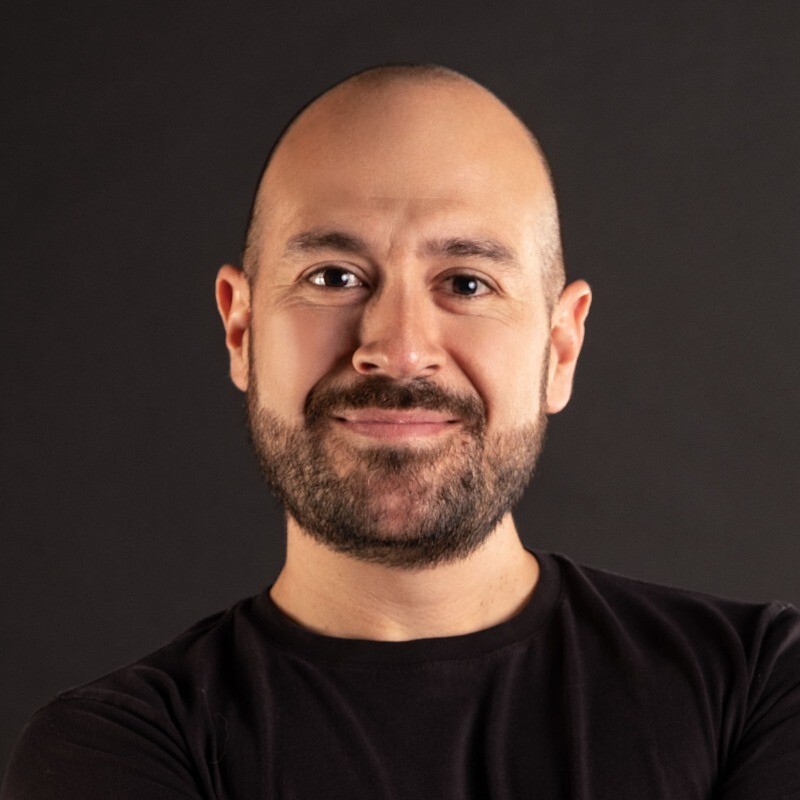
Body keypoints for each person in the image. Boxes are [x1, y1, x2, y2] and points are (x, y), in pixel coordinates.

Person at [3, 64, 799, 799]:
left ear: (561, 347)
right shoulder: (117, 749)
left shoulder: (761, 686)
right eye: (333, 277)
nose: (398, 348)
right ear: (241, 329)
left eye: (466, 282)